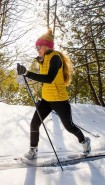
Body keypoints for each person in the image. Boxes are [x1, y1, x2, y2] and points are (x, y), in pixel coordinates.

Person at [17, 29, 91, 160]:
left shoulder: (55, 57)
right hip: (46, 99)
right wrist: (23, 72)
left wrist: (28, 73)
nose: (37, 49)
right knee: (34, 124)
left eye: (38, 47)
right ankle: (33, 150)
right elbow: (42, 79)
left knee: (69, 126)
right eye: (36, 47)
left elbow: (49, 78)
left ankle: (84, 141)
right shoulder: (43, 59)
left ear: (46, 46)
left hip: (60, 100)